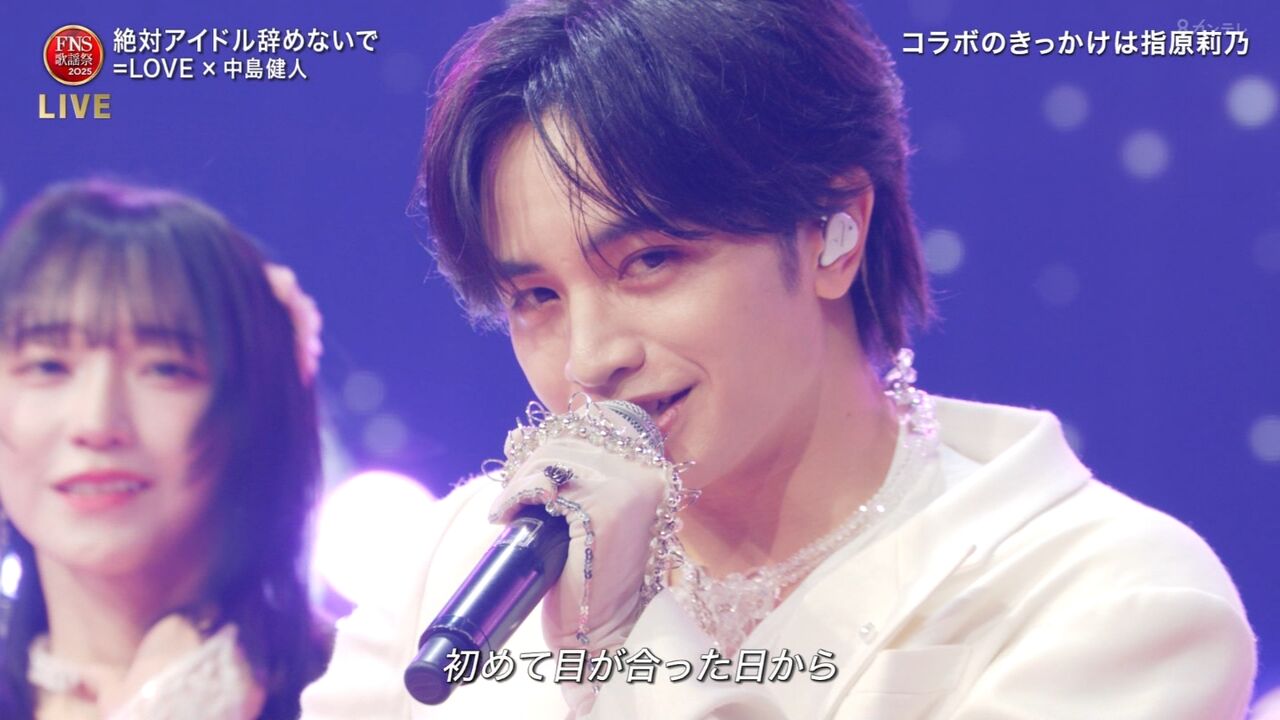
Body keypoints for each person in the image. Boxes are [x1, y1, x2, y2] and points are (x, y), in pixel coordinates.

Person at [301, 0, 1257, 717]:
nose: (590, 359)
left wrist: (625, 645)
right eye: (537, 298)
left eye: (650, 261)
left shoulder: (1107, 597)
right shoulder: (450, 571)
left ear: (834, 230)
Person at [0, 179, 330, 719]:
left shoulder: (372, 690)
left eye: (164, 369)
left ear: (256, 411)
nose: (96, 423)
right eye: (48, 365)